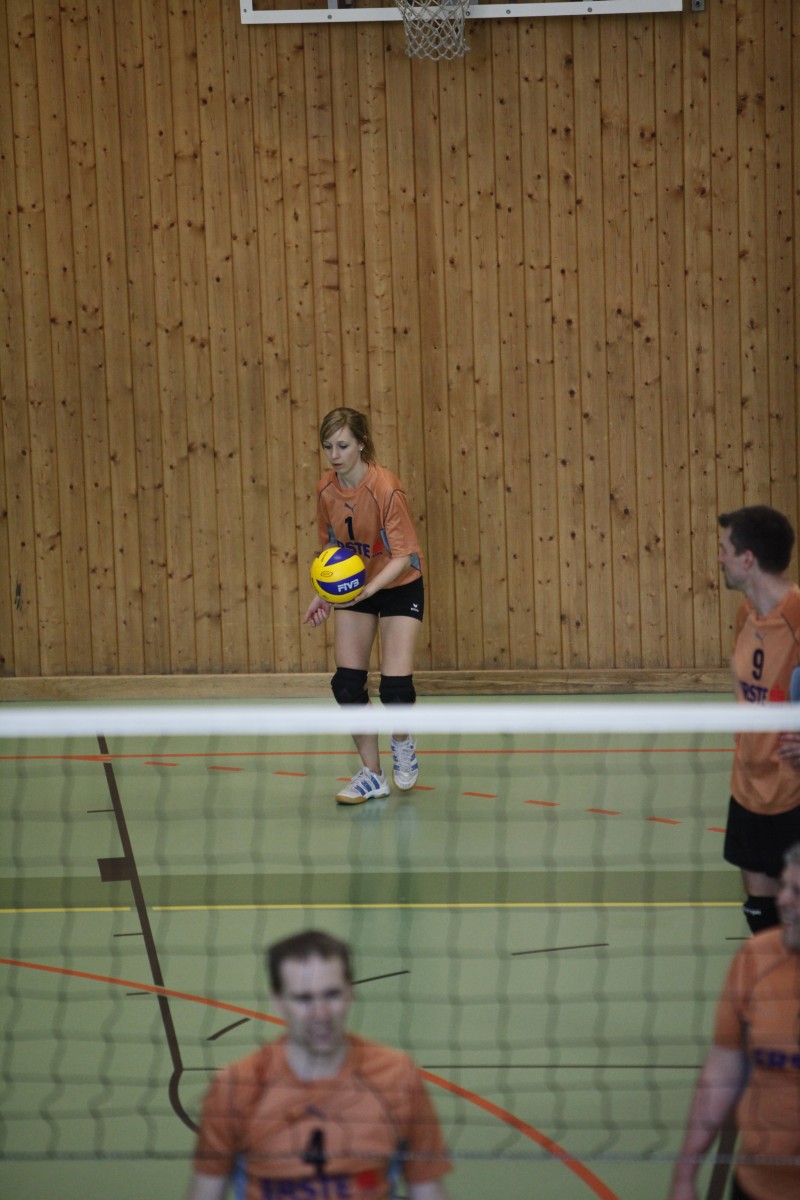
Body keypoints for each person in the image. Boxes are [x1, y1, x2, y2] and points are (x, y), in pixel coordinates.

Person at [186, 930, 452, 1200]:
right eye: (304, 999)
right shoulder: (236, 1086)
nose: (321, 1014)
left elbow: (428, 1191)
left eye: (332, 995)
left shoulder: (396, 1076)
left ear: (350, 992)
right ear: (278, 1001)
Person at [303, 408, 424, 806]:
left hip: (398, 583)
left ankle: (402, 741)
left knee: (395, 690)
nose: (334, 455)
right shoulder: (326, 490)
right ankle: (372, 775)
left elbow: (404, 556)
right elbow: (330, 548)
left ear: (361, 444)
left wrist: (369, 589)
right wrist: (324, 592)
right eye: (327, 447)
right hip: (357, 588)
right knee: (347, 685)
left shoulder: (385, 488)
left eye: (342, 445)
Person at [668, 843, 800, 1200]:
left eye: (797, 891)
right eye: (784, 886)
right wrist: (684, 1177)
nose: (782, 900)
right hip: (757, 1186)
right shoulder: (756, 958)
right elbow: (722, 1072)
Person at [717, 505, 800, 933]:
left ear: (747, 558)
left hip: (793, 792)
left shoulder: (797, 614)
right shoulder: (744, 615)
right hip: (748, 787)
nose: (720, 558)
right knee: (761, 917)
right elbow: (743, 684)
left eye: (724, 549)